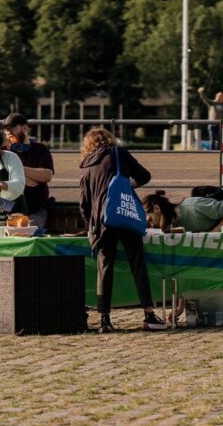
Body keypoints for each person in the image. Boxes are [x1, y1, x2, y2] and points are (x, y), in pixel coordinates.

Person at [78, 127, 164, 332]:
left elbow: (84, 204)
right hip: (124, 215)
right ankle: (149, 314)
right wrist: (127, 185)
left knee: (104, 268)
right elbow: (145, 176)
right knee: (137, 264)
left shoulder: (86, 165)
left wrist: (91, 225)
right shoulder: (118, 153)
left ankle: (104, 321)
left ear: (88, 145)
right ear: (109, 140)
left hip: (101, 222)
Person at [2, 112, 54, 232]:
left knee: (29, 234)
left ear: (25, 128)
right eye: (6, 130)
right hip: (8, 207)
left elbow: (47, 175)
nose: (8, 132)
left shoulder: (40, 149)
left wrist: (17, 170)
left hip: (35, 207)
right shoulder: (3, 152)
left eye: (13, 128)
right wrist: (23, 180)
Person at [142, 190, 223, 232]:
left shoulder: (194, 206)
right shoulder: (174, 224)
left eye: (149, 216)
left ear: (157, 208)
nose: (149, 222)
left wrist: (214, 232)